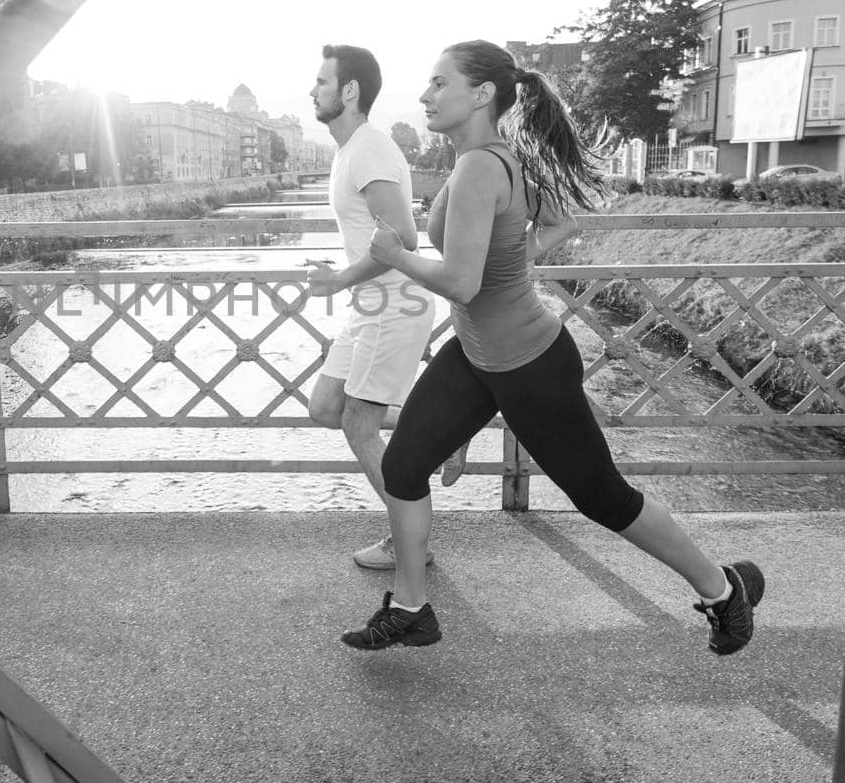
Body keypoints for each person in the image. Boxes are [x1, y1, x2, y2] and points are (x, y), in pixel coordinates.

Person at [340, 39, 763, 654]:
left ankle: (723, 589)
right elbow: (536, 232)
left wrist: (396, 256)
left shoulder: (483, 165)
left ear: (481, 94)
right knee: (404, 469)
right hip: (477, 353)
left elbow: (461, 281)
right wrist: (513, 260)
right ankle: (410, 609)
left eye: (439, 83)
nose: (426, 95)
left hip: (529, 362)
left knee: (601, 497)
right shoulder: (488, 159)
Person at [304, 44, 438, 569]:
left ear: (350, 90)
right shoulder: (347, 150)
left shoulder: (369, 149)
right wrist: (343, 273)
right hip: (369, 306)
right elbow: (370, 235)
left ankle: (411, 544)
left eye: (321, 82)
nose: (312, 90)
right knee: (326, 408)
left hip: (394, 305)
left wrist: (338, 278)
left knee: (359, 424)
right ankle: (437, 431)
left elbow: (402, 239)